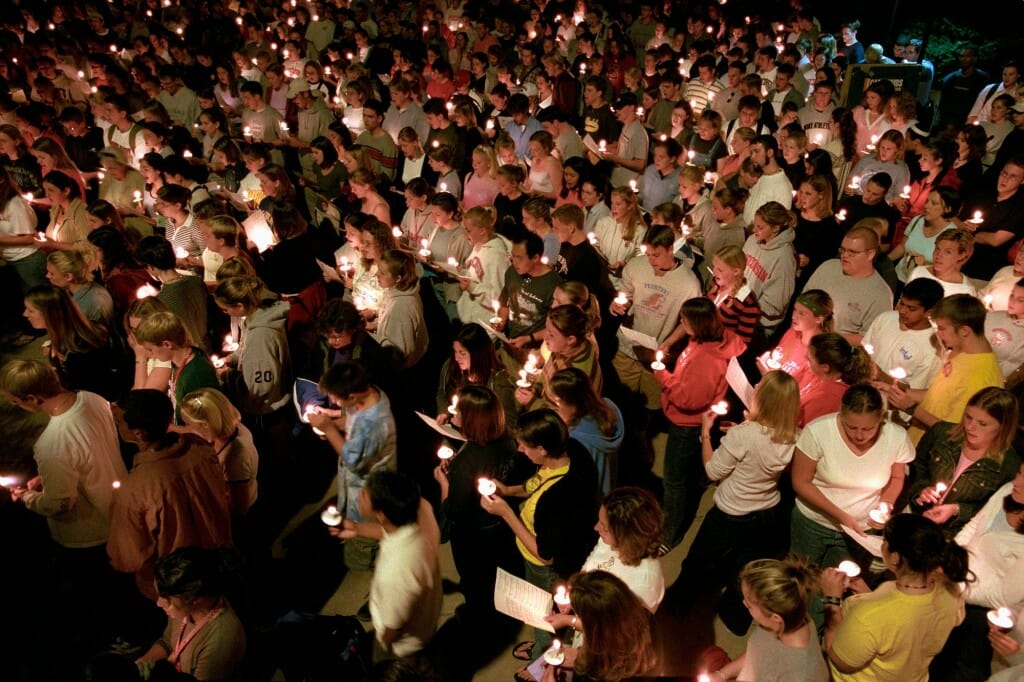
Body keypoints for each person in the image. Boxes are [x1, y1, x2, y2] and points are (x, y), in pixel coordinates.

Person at [668, 370, 801, 632]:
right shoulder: (796, 436)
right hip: (766, 512)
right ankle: (735, 617)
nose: (754, 387)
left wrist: (706, 434)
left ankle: (678, 605)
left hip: (730, 511)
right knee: (745, 568)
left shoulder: (745, 436)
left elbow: (713, 471)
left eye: (759, 387)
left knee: (697, 559)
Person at [480, 409, 599, 660]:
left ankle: (543, 659)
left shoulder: (557, 499)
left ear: (542, 449)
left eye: (524, 446)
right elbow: (535, 484)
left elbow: (546, 557)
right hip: (553, 544)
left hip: (543, 568)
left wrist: (505, 513)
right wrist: (508, 491)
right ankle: (540, 650)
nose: (520, 450)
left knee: (543, 615)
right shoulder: (571, 450)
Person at [791, 385, 915, 604]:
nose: (859, 435)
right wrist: (840, 515)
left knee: (837, 590)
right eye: (851, 427)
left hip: (859, 531)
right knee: (802, 581)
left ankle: (825, 629)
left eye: (868, 429)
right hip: (813, 522)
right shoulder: (818, 432)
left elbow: (897, 478)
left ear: (881, 418)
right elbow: (801, 481)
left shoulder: (896, 437)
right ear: (841, 413)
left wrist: (885, 504)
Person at [107, 389, 232, 600]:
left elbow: (127, 558)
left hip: (177, 586)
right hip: (220, 559)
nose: (116, 424)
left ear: (139, 433)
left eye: (119, 421)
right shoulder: (199, 446)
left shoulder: (134, 490)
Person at [822, 514, 968, 681]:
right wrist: (869, 595)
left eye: (884, 541)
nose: (881, 545)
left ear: (895, 557)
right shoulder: (951, 589)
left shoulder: (869, 616)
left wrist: (832, 601)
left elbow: (841, 661)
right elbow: (904, 624)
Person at [1, 358, 127, 548]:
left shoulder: (51, 443)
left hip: (90, 532)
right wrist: (46, 477)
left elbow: (59, 504)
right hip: (123, 506)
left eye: (17, 402)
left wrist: (27, 497)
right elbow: (85, 455)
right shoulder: (92, 398)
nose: (19, 407)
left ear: (33, 398)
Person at [654, 297, 747, 548]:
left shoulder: (706, 359)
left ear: (697, 324)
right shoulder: (713, 339)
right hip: (695, 422)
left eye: (684, 320)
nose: (680, 323)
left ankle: (669, 534)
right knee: (689, 472)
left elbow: (689, 399)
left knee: (674, 482)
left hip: (686, 423)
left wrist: (662, 374)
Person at [434, 385, 523, 627]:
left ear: (472, 419)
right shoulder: (508, 438)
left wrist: (444, 484)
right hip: (502, 528)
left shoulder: (468, 460)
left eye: (458, 412)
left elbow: (455, 511)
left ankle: (480, 619)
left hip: (474, 537)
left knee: (477, 582)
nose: (452, 415)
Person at [935, 463, 1024, 681]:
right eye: (1020, 472)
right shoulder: (1008, 491)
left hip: (983, 612)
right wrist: (950, 558)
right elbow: (975, 527)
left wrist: (956, 583)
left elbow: (1004, 596)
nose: (1017, 482)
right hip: (955, 581)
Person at [306, 361, 396, 570]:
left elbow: (353, 461)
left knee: (362, 542)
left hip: (369, 490)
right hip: (363, 481)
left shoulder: (373, 425)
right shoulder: (371, 394)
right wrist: (333, 421)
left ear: (352, 396)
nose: (332, 402)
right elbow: (352, 420)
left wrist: (329, 430)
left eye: (335, 398)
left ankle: (374, 563)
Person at [887, 295, 1004, 444]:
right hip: (916, 444)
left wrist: (911, 408)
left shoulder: (981, 377)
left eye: (942, 328)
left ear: (964, 331)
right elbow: (942, 395)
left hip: (933, 455)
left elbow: (956, 431)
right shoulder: (963, 352)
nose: (938, 334)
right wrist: (902, 393)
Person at [907, 387, 1019, 534]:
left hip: (954, 536)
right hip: (914, 519)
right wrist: (922, 489)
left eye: (982, 424)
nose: (971, 427)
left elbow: (994, 510)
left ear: (1002, 427)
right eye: (968, 417)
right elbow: (918, 465)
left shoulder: (1009, 466)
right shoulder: (941, 434)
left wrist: (957, 510)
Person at [709, 557, 830, 681]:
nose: (744, 603)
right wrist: (721, 674)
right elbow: (758, 652)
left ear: (775, 617)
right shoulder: (788, 618)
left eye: (750, 605)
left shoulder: (799, 674)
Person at [135, 546, 246, 681]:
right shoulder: (182, 607)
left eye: (167, 601)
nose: (159, 603)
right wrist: (140, 664)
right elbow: (168, 642)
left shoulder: (220, 641)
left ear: (196, 600)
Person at [543, 570, 657, 682]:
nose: (577, 620)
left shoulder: (613, 673)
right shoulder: (631, 620)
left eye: (579, 616)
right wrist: (580, 656)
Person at [23, 284, 130, 401]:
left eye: (31, 310)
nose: (25, 314)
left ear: (50, 314)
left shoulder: (78, 354)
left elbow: (87, 394)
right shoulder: (79, 331)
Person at [213, 275, 292, 420]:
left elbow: (261, 385)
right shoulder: (256, 316)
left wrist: (227, 374)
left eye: (225, 309)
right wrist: (232, 358)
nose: (225, 313)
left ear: (239, 305)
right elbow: (246, 349)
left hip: (267, 409)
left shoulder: (260, 335)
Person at [803, 226, 894, 345]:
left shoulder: (881, 295)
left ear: (870, 254)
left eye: (852, 252)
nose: (844, 255)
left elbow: (869, 340)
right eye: (843, 250)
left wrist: (826, 337)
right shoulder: (827, 267)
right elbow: (803, 300)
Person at [179, 388, 260, 520]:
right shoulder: (232, 428)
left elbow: (239, 508)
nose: (188, 427)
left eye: (189, 423)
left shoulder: (234, 456)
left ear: (205, 425)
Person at [134, 311, 219, 424]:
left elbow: (205, 423)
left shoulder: (195, 375)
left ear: (167, 344)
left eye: (151, 350)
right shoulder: (176, 364)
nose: (151, 356)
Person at [549, 368, 624, 494]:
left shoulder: (574, 437)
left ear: (572, 404)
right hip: (609, 486)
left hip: (591, 495)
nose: (557, 406)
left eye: (558, 401)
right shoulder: (610, 409)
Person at [436, 322, 518, 429]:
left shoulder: (497, 379)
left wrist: (469, 425)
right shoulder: (451, 366)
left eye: (462, 353)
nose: (456, 357)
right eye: (455, 351)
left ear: (478, 354)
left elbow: (509, 422)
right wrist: (444, 412)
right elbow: (442, 393)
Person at [742, 201, 797, 338]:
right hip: (741, 311)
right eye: (754, 225)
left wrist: (745, 299)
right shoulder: (752, 240)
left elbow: (776, 305)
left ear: (775, 228)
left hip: (760, 325)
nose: (754, 230)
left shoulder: (784, 258)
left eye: (760, 227)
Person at [889, 186, 962, 282]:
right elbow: (903, 246)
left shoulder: (952, 235)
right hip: (899, 277)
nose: (926, 206)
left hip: (922, 285)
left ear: (948, 209)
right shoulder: (917, 220)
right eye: (927, 201)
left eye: (934, 203)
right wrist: (885, 260)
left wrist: (925, 266)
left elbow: (951, 270)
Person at [799, 333, 873, 426]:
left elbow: (807, 428)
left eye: (809, 359)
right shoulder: (823, 380)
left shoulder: (826, 398)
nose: (805, 359)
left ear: (825, 367)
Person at [373, 250, 427, 370]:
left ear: (398, 278)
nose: (376, 274)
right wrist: (373, 325)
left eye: (382, 273)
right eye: (378, 269)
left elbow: (399, 352)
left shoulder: (402, 307)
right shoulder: (396, 292)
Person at [907, 228, 978, 297]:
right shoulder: (918, 272)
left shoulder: (965, 291)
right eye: (938, 249)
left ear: (961, 255)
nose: (938, 255)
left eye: (948, 252)